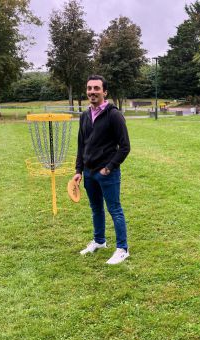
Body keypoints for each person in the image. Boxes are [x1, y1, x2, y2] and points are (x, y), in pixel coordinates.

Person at [73, 75, 131, 265]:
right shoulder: (84, 116)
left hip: (107, 173)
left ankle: (122, 249)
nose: (92, 92)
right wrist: (78, 170)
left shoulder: (114, 115)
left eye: (96, 88)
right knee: (96, 208)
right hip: (89, 173)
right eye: (89, 88)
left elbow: (124, 146)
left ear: (104, 92)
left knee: (114, 209)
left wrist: (109, 168)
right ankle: (99, 241)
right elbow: (81, 145)